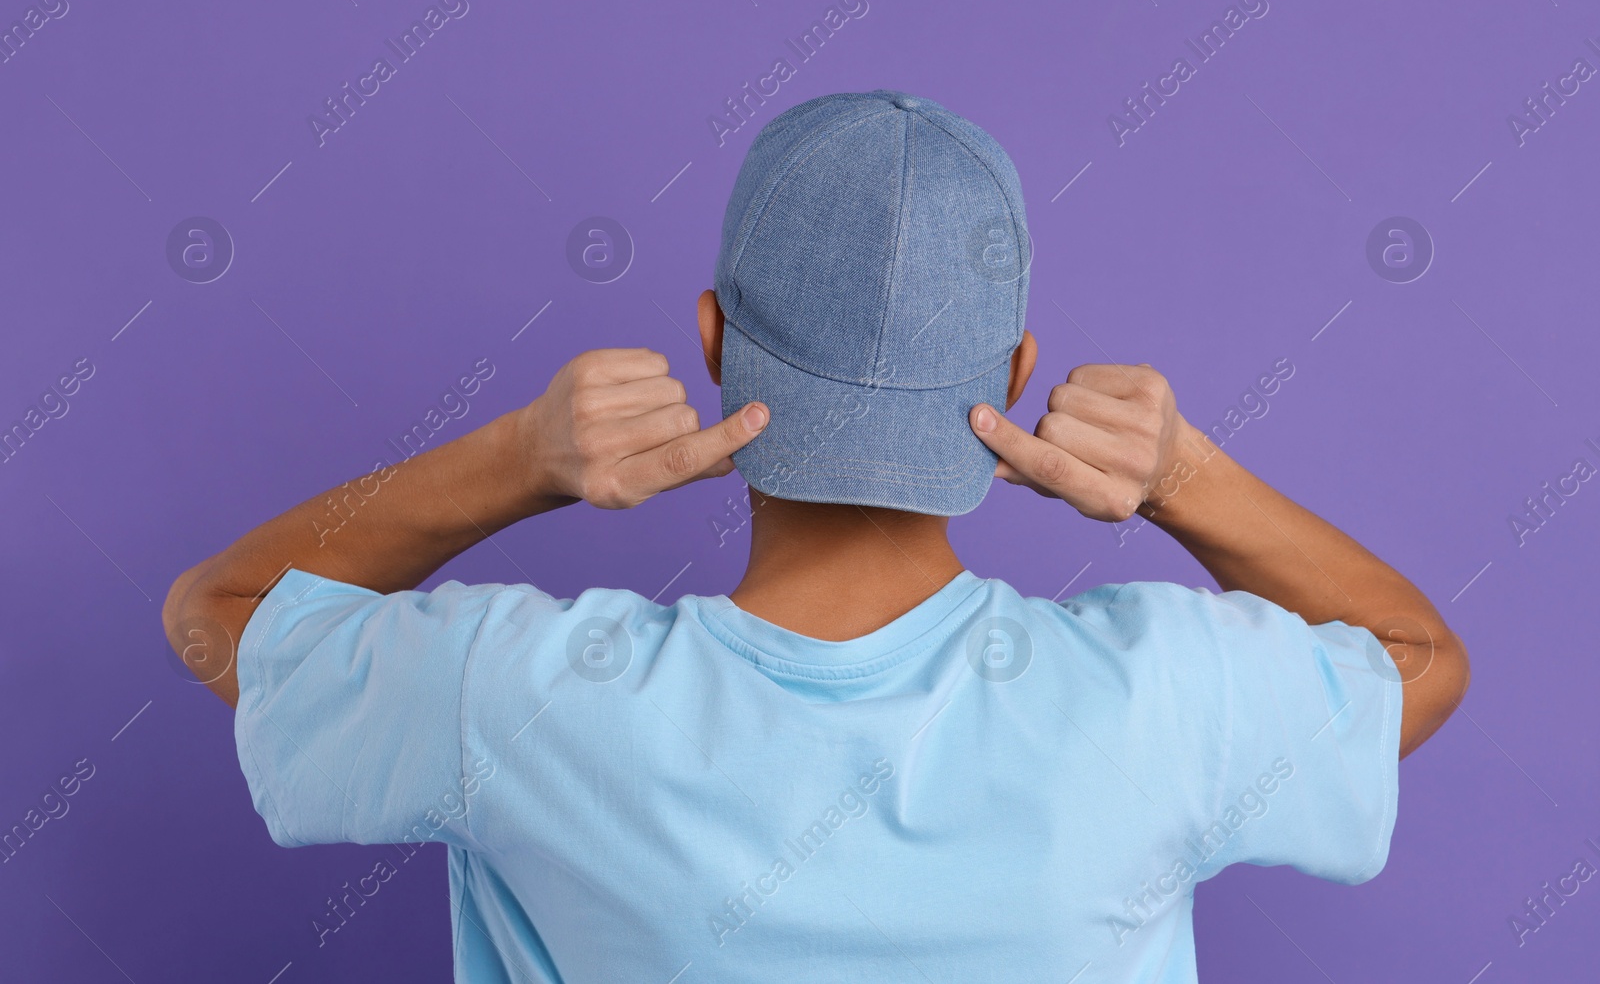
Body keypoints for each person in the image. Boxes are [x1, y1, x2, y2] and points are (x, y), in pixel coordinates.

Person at [164, 89, 1468, 983]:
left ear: (714, 340)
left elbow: (218, 612)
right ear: (1014, 374)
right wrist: (1183, 471)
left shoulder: (515, 696)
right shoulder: (1160, 702)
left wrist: (520, 459)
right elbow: (1417, 654)